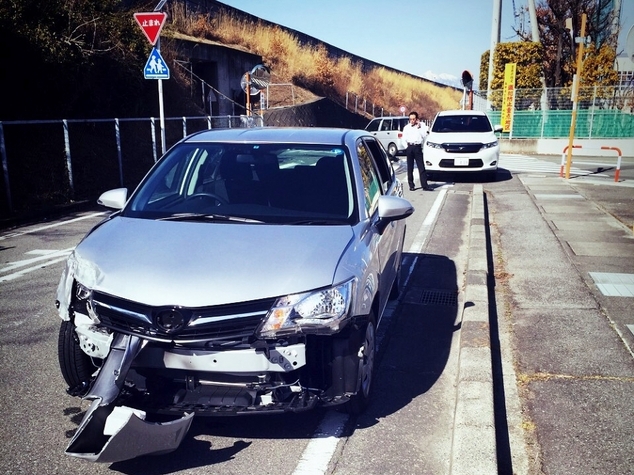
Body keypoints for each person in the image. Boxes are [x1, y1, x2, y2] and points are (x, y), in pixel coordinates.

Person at [402, 111, 431, 191]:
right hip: (410, 147)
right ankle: (411, 185)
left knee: (421, 167)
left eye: (413, 119)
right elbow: (403, 139)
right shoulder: (406, 127)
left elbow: (425, 135)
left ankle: (425, 185)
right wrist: (406, 147)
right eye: (410, 119)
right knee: (410, 168)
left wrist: (419, 127)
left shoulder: (422, 126)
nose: (412, 121)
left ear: (417, 119)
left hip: (418, 147)